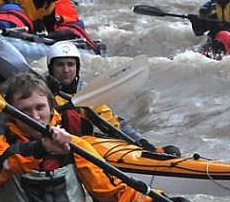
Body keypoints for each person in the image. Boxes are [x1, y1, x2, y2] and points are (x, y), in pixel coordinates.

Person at [0, 73, 199, 202]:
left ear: (51, 108)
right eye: (25, 111)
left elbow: (114, 195)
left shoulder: (76, 146)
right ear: (12, 116)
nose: (35, 116)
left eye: (40, 108)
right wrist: (39, 149)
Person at [46, 41, 180, 155]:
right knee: (70, 115)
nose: (66, 70)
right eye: (60, 65)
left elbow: (112, 122)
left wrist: (145, 145)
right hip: (53, 148)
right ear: (51, 68)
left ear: (77, 68)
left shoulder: (85, 91)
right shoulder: (41, 90)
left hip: (80, 145)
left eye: (70, 64)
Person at [28, 0, 98, 50]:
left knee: (76, 26)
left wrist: (61, 18)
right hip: (49, 26)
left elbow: (73, 16)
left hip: (66, 24)